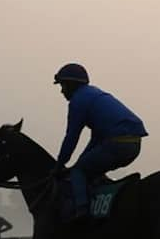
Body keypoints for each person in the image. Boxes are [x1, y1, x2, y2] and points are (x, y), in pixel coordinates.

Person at [51, 63, 148, 224]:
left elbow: (71, 138)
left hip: (117, 143)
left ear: (71, 84)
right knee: (87, 169)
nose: (62, 91)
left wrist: (59, 165)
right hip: (134, 143)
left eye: (63, 85)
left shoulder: (77, 101)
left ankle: (82, 211)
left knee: (78, 173)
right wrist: (79, 162)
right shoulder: (94, 94)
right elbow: (95, 139)